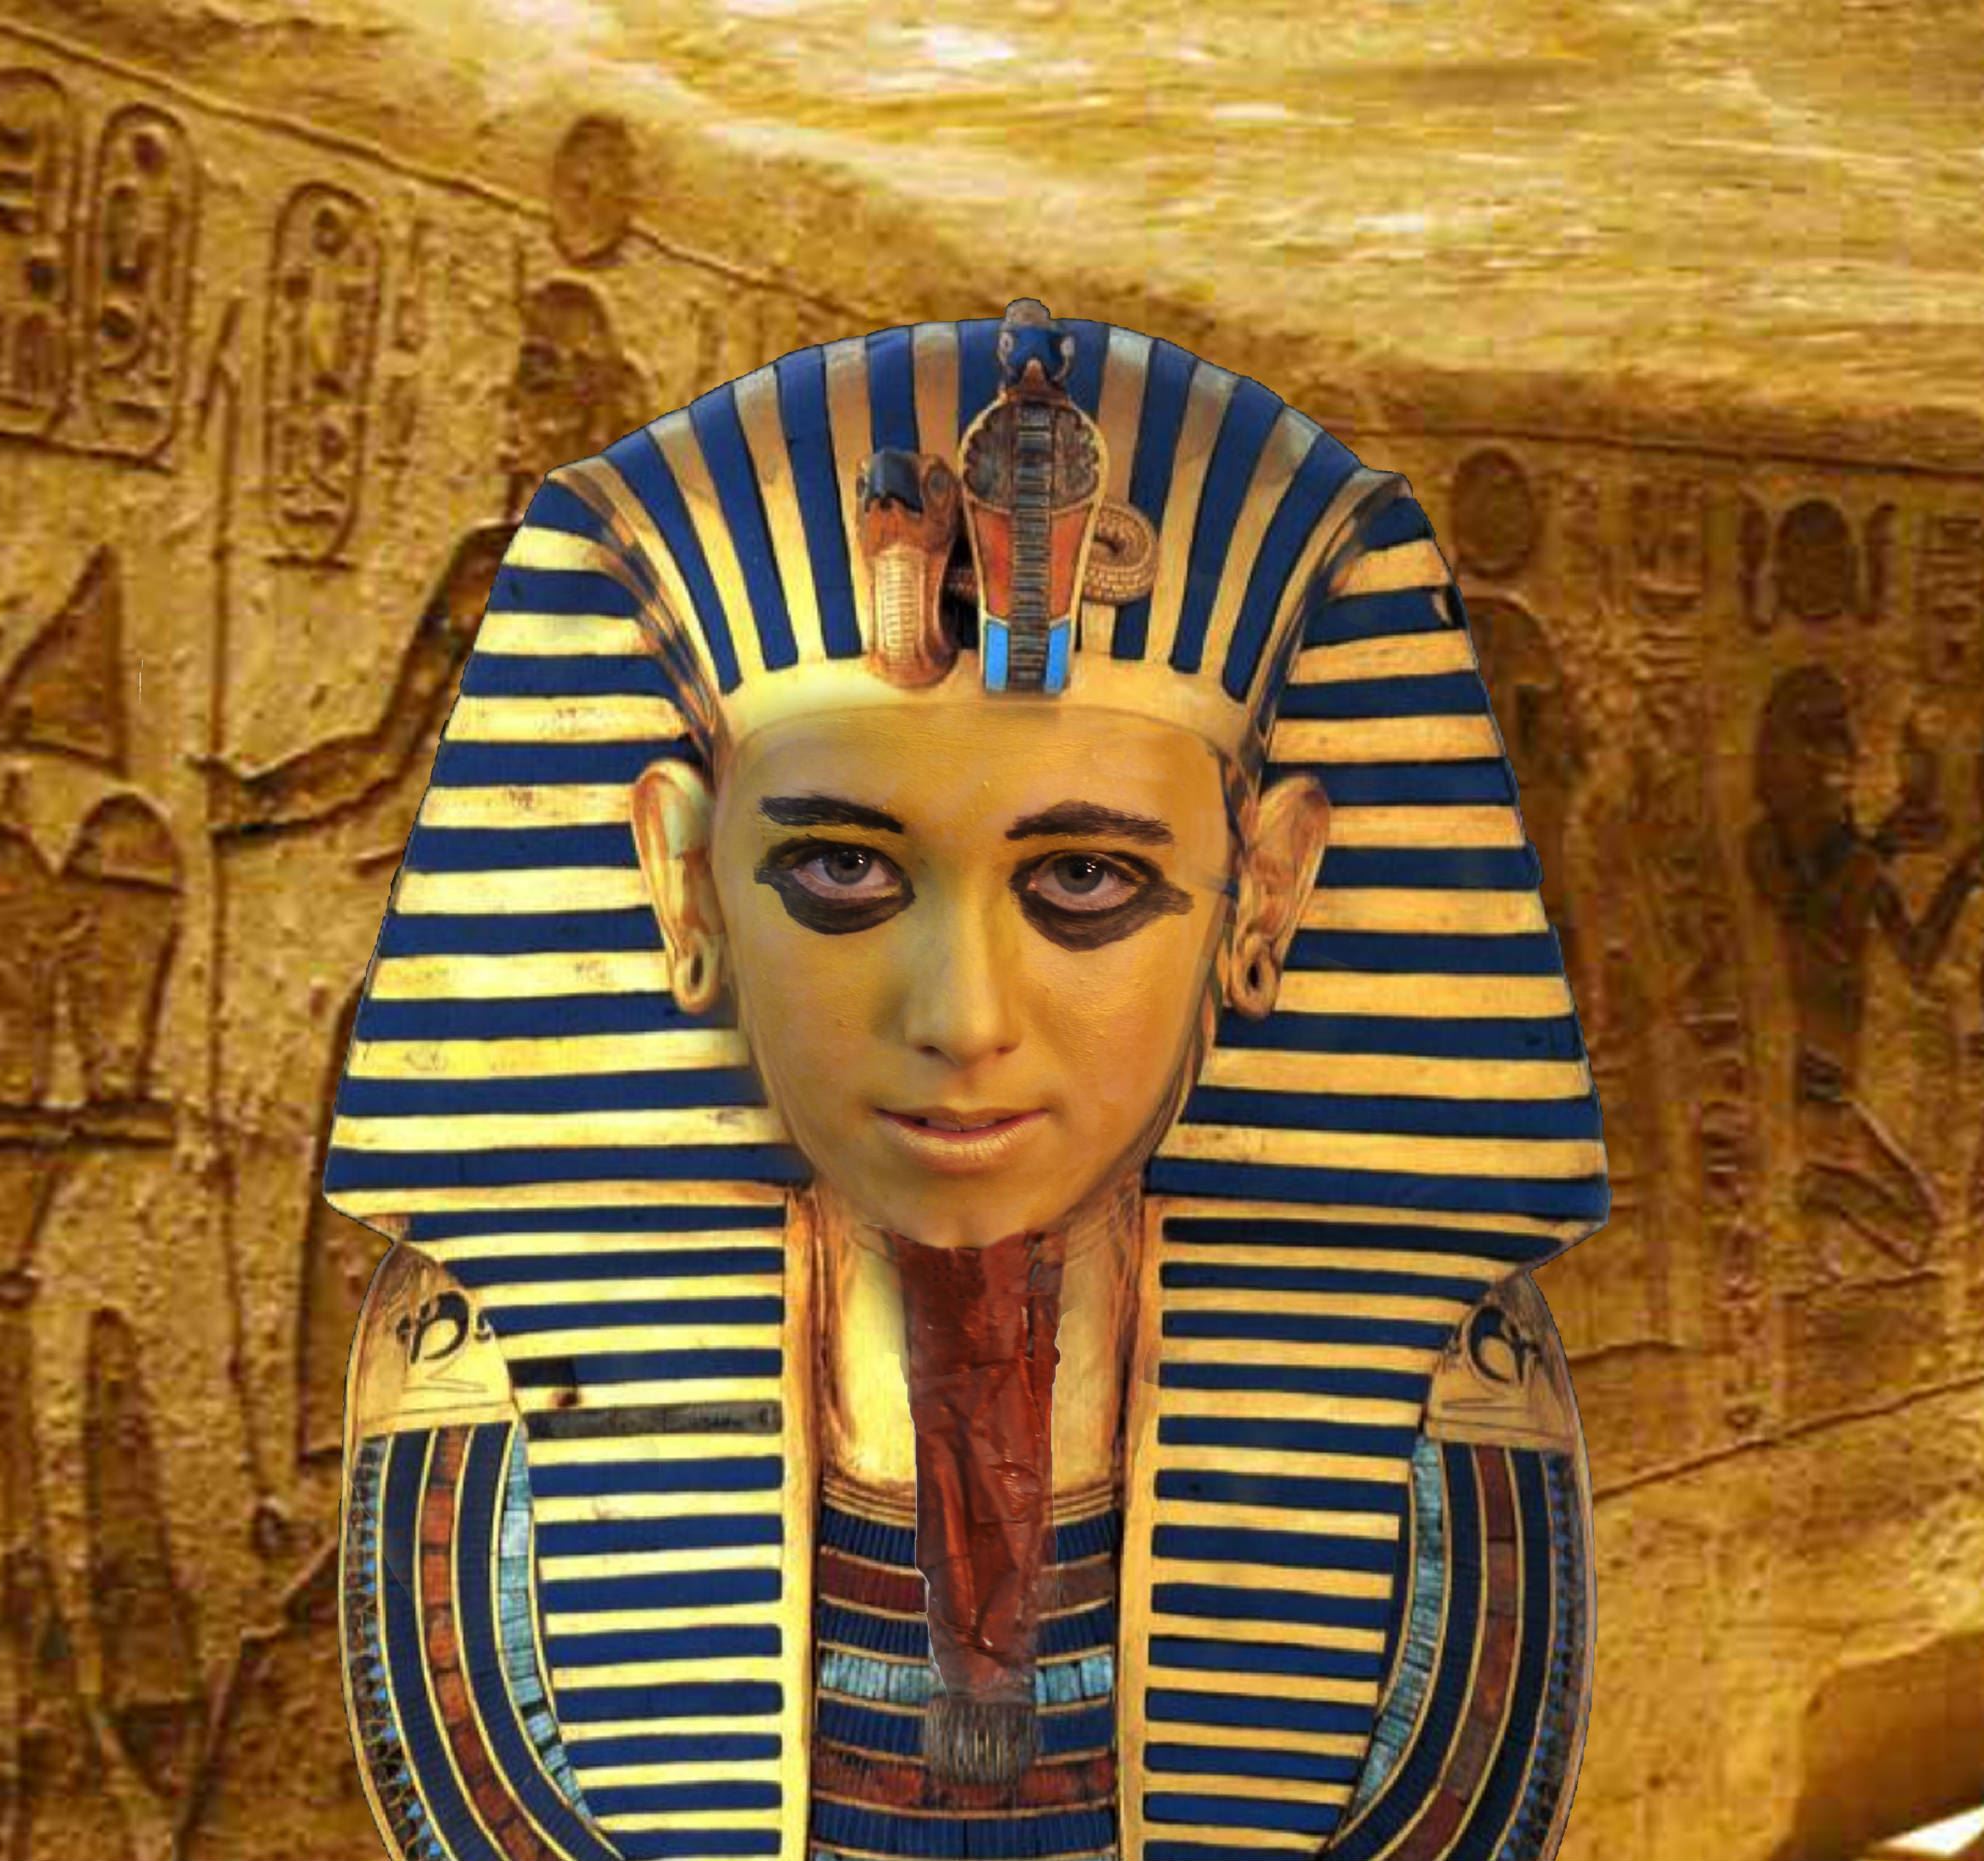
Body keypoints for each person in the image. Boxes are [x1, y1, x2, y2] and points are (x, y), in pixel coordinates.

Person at [322, 302, 1609, 1861]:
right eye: (844, 869)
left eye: (1083, 878)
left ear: (1262, 904)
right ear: (686, 885)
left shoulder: (1447, 1401)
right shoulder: (480, 1389)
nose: (962, 1017)